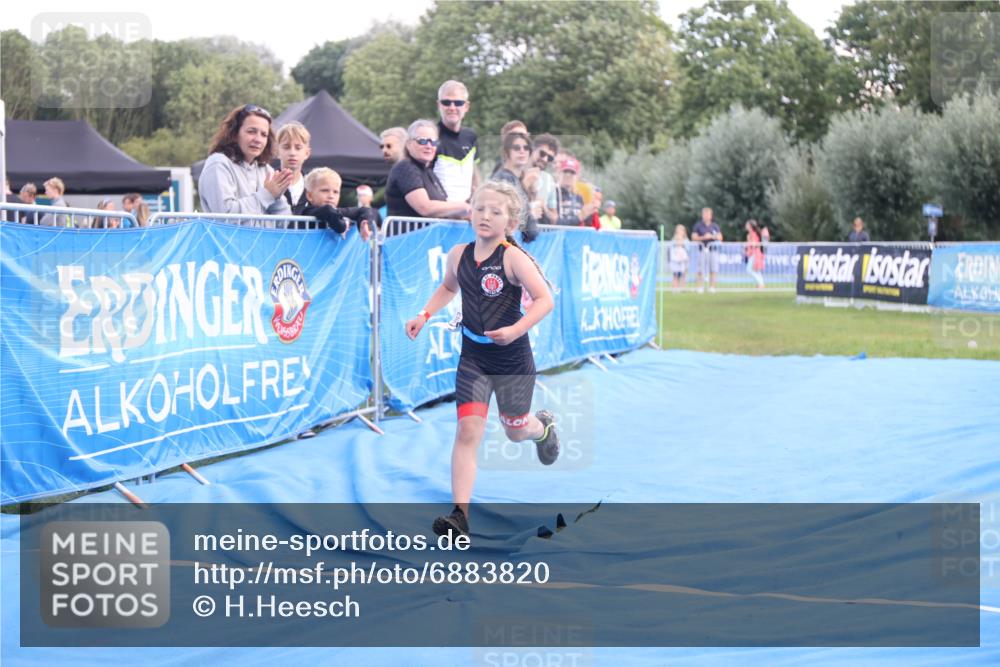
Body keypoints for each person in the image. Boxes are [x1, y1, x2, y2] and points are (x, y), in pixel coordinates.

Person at [405, 180, 560, 537]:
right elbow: (448, 287)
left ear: (510, 222)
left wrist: (516, 329)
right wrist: (424, 315)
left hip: (512, 359)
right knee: (467, 430)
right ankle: (459, 516)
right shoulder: (459, 254)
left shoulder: (513, 257)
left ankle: (544, 428)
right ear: (469, 212)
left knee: (515, 430)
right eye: (479, 208)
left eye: (495, 211)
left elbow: (544, 300)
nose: (485, 216)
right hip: (473, 356)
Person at [198, 104, 293, 221]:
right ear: (234, 133)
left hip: (264, 240)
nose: (258, 139)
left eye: (264, 135)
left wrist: (276, 197)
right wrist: (268, 194)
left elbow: (285, 221)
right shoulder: (218, 164)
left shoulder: (266, 170)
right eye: (251, 131)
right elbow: (225, 215)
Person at [385, 120, 471, 221]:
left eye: (433, 142)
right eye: (422, 141)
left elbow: (444, 208)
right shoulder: (405, 167)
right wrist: (463, 207)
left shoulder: (429, 172)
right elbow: (425, 208)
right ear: (408, 144)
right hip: (407, 236)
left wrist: (468, 215)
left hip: (429, 235)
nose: (429, 146)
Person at [433, 80, 480, 202]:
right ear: (439, 105)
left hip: (466, 214)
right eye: (446, 102)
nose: (452, 107)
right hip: (438, 215)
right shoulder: (430, 137)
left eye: (458, 103)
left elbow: (475, 175)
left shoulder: (471, 136)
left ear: (466, 106)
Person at [301, 167, 375, 240]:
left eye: (336, 192)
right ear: (309, 195)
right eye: (325, 190)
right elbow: (327, 210)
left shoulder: (335, 211)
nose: (331, 196)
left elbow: (364, 210)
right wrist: (343, 226)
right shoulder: (307, 212)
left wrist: (365, 224)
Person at [491, 132, 541, 241]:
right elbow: (507, 214)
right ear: (506, 152)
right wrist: (524, 186)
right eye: (516, 147)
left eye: (526, 147)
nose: (522, 151)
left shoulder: (516, 178)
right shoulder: (503, 178)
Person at [276, 121, 312, 214]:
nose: (292, 153)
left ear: (307, 153)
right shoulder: (266, 181)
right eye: (286, 147)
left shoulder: (313, 186)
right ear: (277, 152)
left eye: (298, 147)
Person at [526, 133, 559, 223]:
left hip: (538, 233)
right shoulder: (517, 171)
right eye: (542, 153)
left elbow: (554, 218)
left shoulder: (548, 179)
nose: (545, 159)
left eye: (550, 158)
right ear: (532, 150)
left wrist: (545, 209)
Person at [554, 157, 597, 226]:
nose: (568, 175)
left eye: (572, 172)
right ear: (560, 173)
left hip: (576, 236)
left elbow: (587, 223)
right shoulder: (554, 194)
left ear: (577, 176)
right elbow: (554, 222)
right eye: (565, 171)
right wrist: (580, 217)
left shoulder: (579, 198)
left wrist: (590, 213)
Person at [692, 207, 723, 293]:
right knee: (700, 269)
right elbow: (694, 237)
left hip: (713, 250)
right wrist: (703, 237)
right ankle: (700, 287)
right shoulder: (698, 226)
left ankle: (712, 287)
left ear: (711, 216)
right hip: (702, 250)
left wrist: (712, 237)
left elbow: (720, 237)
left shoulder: (715, 226)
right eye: (704, 214)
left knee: (713, 269)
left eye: (708, 214)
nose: (706, 216)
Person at [744, 219, 766, 289]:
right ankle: (761, 284)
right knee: (756, 270)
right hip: (754, 253)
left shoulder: (753, 234)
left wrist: (748, 245)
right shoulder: (751, 234)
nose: (746, 226)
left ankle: (760, 283)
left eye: (747, 225)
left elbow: (754, 244)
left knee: (749, 270)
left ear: (750, 226)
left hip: (755, 254)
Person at [670, 224, 690, 290]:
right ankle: (675, 288)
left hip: (684, 261)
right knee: (675, 275)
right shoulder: (673, 241)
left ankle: (683, 288)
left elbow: (688, 250)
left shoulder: (686, 241)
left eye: (682, 231)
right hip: (675, 261)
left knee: (683, 275)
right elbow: (671, 249)